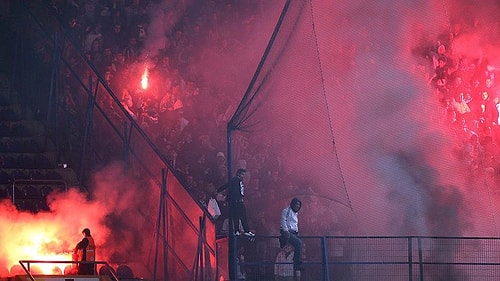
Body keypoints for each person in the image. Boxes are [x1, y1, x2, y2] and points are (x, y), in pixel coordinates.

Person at [217, 168, 255, 237]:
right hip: (236, 202)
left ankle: (243, 230)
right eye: (243, 174)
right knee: (238, 217)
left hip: (238, 201)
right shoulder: (235, 180)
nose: (244, 176)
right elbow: (227, 185)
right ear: (239, 174)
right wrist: (219, 190)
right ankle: (240, 230)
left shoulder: (240, 181)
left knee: (240, 217)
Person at [279, 198, 304, 271]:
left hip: (293, 232)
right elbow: (283, 220)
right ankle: (297, 264)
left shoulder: (295, 213)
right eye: (296, 204)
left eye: (299, 205)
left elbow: (294, 224)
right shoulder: (286, 211)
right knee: (299, 243)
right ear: (292, 204)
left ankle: (295, 262)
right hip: (287, 232)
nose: (297, 206)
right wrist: (286, 231)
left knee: (299, 244)